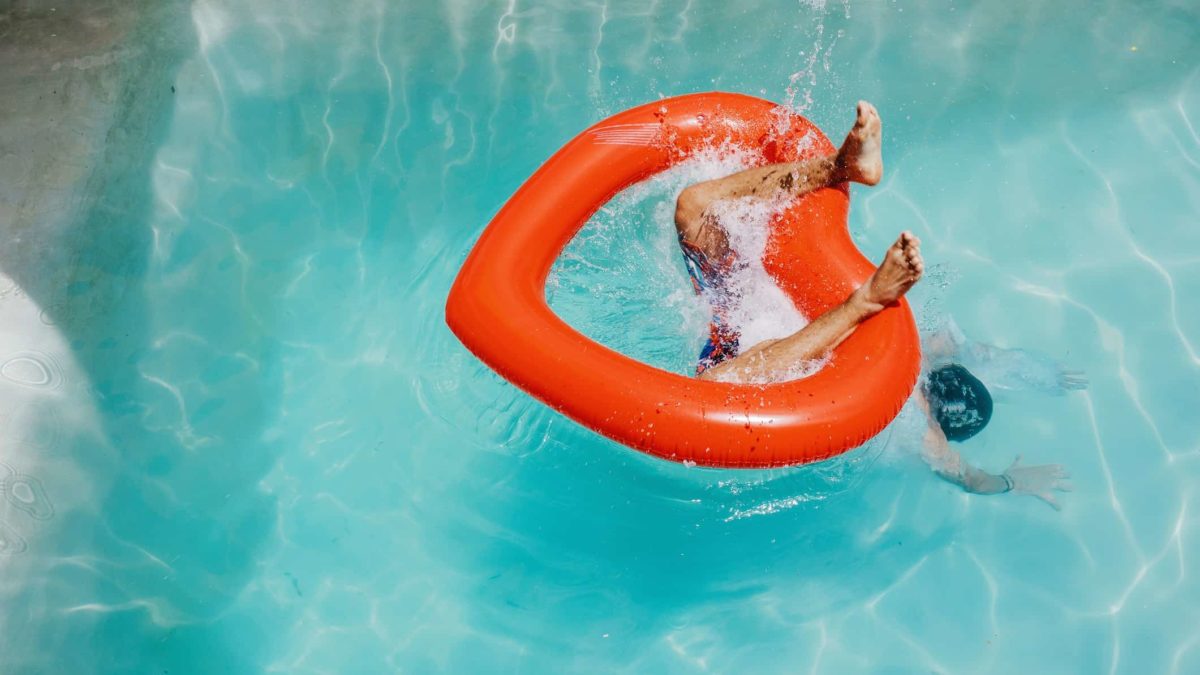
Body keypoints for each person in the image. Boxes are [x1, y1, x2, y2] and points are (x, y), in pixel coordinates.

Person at [673, 101, 1082, 506]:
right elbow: (971, 479)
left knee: (694, 213)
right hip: (762, 328)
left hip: (764, 359)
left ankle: (864, 297)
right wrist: (1013, 481)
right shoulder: (926, 431)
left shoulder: (924, 359)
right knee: (694, 208)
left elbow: (984, 355)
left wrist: (1045, 374)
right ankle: (841, 169)